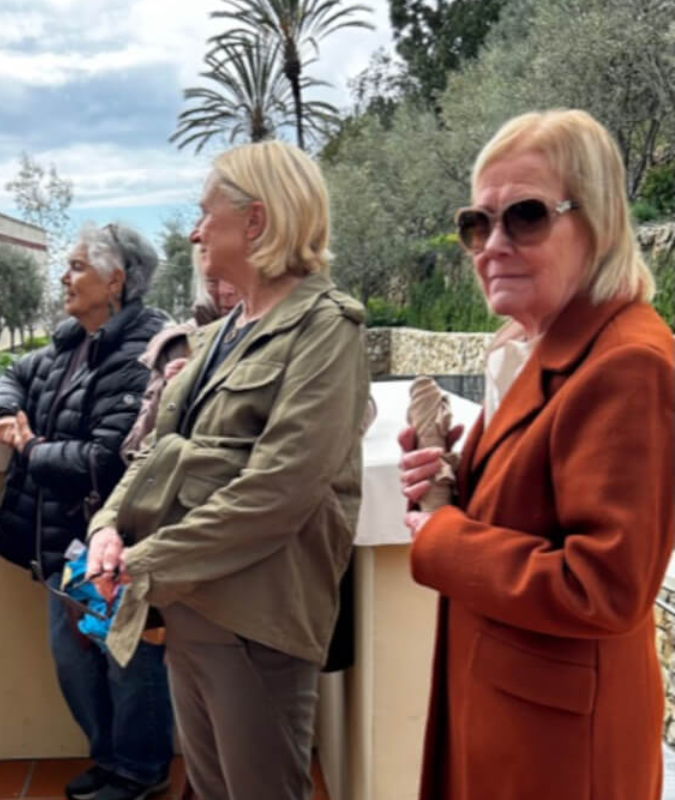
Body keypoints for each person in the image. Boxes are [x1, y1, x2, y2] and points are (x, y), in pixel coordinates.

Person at [398, 109, 674, 800]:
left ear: (600, 221)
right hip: (513, 718)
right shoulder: (533, 347)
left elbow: (601, 585)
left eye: (525, 216)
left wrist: (443, 537)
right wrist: (455, 484)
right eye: (476, 223)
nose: (492, 244)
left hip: (558, 752)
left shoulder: (627, 365)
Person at [87, 140, 370, 800]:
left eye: (204, 212)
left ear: (257, 220)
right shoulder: (220, 334)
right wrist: (109, 526)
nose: (193, 231)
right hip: (189, 603)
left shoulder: (327, 327)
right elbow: (158, 453)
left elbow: (280, 490)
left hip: (257, 617)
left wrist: (144, 560)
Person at [0, 222, 174, 800]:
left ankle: (141, 771)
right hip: (62, 545)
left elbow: (106, 458)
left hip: (105, 544)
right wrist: (5, 410)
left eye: (76, 267)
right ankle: (110, 759)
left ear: (115, 279)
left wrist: (29, 448)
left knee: (124, 661)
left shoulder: (148, 347)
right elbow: (14, 374)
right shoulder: (73, 338)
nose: (64, 278)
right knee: (77, 664)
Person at [120, 268, 239, 461]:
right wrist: (168, 393)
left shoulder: (288, 336)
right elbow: (134, 449)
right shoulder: (177, 344)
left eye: (236, 277)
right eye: (212, 281)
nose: (225, 291)